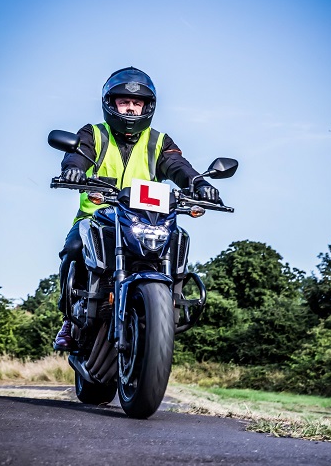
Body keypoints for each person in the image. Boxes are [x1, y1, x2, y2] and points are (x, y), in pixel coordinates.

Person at [54, 66, 220, 351]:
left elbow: (178, 166)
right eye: (124, 102)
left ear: (147, 106)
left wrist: (198, 184)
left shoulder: (158, 141)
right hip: (97, 217)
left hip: (145, 219)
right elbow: (76, 155)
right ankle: (70, 320)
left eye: (137, 103)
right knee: (73, 247)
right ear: (111, 104)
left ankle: (166, 308)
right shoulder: (94, 134)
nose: (131, 108)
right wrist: (72, 170)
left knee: (177, 240)